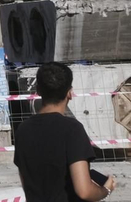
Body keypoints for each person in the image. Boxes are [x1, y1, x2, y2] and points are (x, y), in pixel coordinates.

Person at [14, 63, 114, 202]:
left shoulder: (23, 130)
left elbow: (26, 182)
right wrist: (106, 189)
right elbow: (84, 191)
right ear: (69, 93)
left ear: (38, 90)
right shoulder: (72, 130)